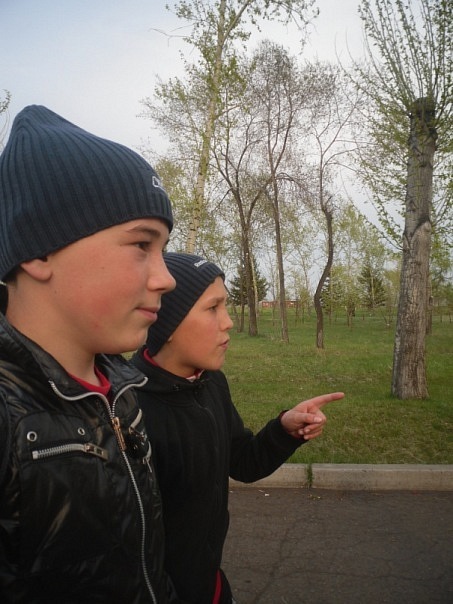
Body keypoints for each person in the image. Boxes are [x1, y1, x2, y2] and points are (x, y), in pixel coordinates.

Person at [0, 105, 182, 603]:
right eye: (141, 244)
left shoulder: (121, 390)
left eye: (163, 249)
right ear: (39, 253)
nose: (166, 277)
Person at [131, 252, 344, 604]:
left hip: (211, 584)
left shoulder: (211, 383)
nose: (228, 322)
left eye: (225, 306)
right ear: (167, 323)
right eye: (213, 308)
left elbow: (243, 462)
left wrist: (284, 430)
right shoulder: (131, 411)